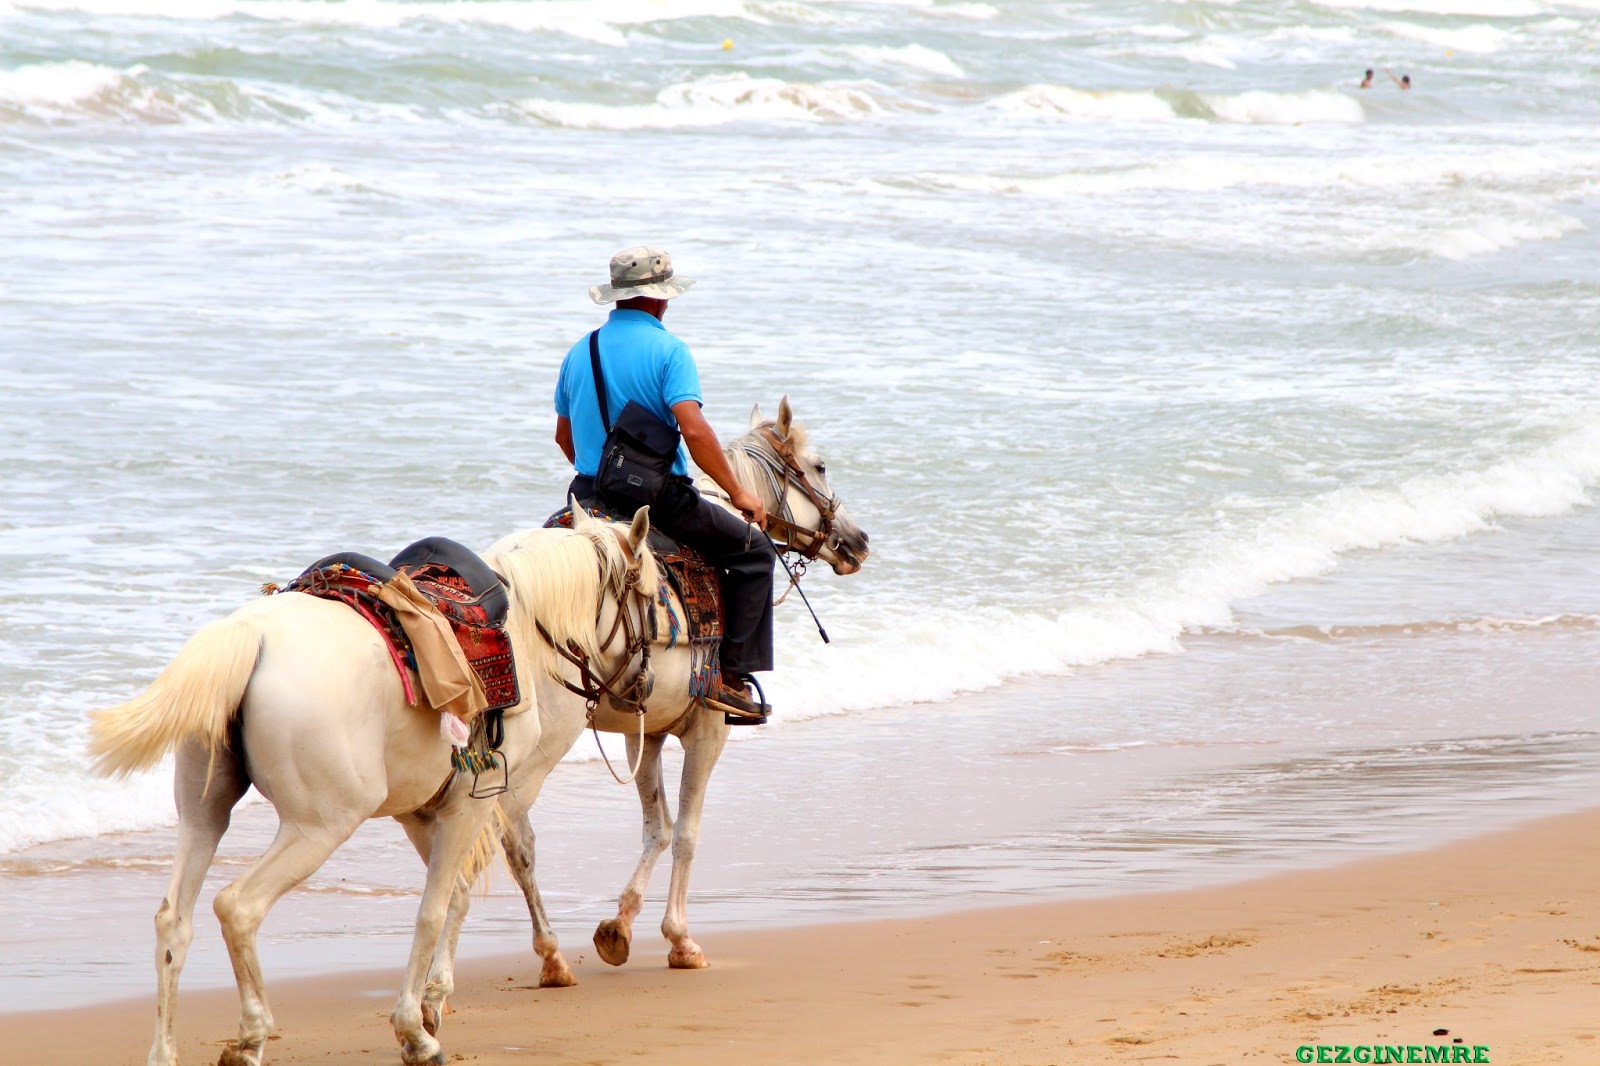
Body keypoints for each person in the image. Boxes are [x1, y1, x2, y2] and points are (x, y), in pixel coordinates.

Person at [553, 246, 777, 721]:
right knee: (754, 552)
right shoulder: (670, 350)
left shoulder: (580, 351)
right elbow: (693, 430)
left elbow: (563, 437)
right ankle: (732, 679)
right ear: (659, 300)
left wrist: (602, 472)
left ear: (617, 297)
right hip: (656, 499)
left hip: (586, 495)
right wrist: (739, 493)